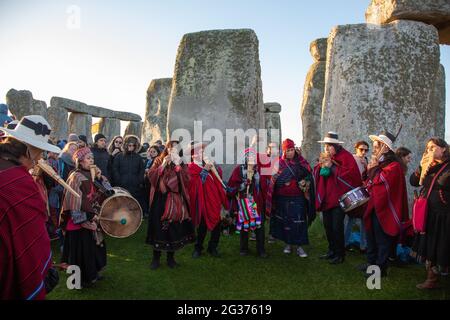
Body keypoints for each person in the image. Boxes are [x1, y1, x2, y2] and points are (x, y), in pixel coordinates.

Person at [0, 115, 61, 300]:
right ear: (27, 149)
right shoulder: (19, 182)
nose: (39, 159)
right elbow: (32, 238)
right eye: (39, 152)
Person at [361, 130, 409, 277]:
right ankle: (371, 264)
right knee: (371, 237)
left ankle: (380, 270)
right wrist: (369, 169)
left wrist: (374, 168)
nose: (374, 149)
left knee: (382, 240)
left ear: (385, 148)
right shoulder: (380, 163)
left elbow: (381, 182)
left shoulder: (394, 166)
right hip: (374, 206)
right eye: (374, 146)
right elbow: (369, 181)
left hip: (385, 208)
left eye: (377, 146)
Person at [60, 147, 108, 288]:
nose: (92, 160)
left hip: (92, 217)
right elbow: (72, 202)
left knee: (93, 250)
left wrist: (100, 178)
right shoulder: (76, 176)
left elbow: (108, 191)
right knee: (79, 254)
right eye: (88, 158)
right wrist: (85, 219)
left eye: (92, 158)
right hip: (79, 221)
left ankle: (92, 274)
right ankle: (76, 282)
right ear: (80, 161)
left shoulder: (92, 175)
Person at [314, 132, 362, 264]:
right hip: (327, 197)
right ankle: (331, 251)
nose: (327, 149)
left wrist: (333, 167)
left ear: (336, 146)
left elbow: (351, 176)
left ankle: (340, 254)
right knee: (328, 226)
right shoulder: (326, 157)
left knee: (337, 227)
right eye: (325, 146)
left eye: (329, 146)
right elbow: (317, 172)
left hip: (339, 200)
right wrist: (321, 166)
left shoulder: (346, 157)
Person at [146, 140, 195, 269]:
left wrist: (178, 166)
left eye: (175, 149)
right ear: (166, 149)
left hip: (175, 199)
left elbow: (187, 179)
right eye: (170, 148)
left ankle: (170, 258)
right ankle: (155, 259)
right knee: (158, 228)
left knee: (173, 228)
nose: (172, 151)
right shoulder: (158, 160)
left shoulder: (181, 163)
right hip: (160, 200)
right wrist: (162, 165)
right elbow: (151, 176)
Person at [410, 138, 450, 289]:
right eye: (427, 148)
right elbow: (414, 181)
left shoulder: (448, 166)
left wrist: (430, 177)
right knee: (430, 244)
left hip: (444, 214)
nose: (429, 151)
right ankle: (431, 278)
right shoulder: (428, 164)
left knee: (442, 245)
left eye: (432, 147)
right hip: (429, 212)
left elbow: (441, 183)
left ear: (443, 149)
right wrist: (422, 166)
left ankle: (440, 273)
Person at [269, 139, 315, 257]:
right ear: (283, 151)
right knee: (285, 221)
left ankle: (299, 247)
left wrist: (306, 182)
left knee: (299, 221)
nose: (290, 152)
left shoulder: (302, 162)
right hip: (282, 198)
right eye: (287, 150)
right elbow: (273, 179)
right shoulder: (279, 163)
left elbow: (309, 175)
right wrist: (281, 181)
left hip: (298, 197)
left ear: (294, 149)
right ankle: (288, 244)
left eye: (291, 150)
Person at [189, 142, 229, 258]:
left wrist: (214, 168)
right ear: (193, 155)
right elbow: (195, 185)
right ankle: (198, 248)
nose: (203, 153)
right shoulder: (191, 167)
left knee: (217, 226)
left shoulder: (206, 165)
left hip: (214, 201)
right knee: (202, 227)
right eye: (200, 152)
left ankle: (213, 247)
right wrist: (205, 171)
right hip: (203, 202)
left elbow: (217, 181)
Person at [227, 147, 267, 258]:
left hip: (256, 202)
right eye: (249, 157)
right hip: (244, 201)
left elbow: (263, 187)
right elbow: (230, 187)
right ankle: (243, 249)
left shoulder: (259, 170)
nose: (251, 159)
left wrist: (258, 180)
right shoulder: (238, 170)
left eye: (253, 157)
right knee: (245, 226)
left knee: (259, 226)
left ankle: (261, 250)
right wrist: (242, 185)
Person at [344, 141, 369, 253]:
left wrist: (366, 166)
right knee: (350, 218)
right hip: (353, 191)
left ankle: (363, 245)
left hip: (363, 192)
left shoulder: (367, 160)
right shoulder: (351, 159)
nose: (363, 152)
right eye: (361, 149)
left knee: (364, 218)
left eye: (366, 150)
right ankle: (344, 243)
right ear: (356, 149)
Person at [112, 135, 146, 211]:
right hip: (121, 186)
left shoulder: (138, 158)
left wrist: (138, 181)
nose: (131, 147)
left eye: (133, 145)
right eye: (129, 145)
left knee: (132, 207)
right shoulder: (119, 156)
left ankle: (133, 221)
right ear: (126, 145)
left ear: (136, 146)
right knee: (121, 206)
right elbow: (115, 169)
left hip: (135, 187)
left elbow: (141, 171)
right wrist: (119, 180)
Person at [258, 142, 280, 244]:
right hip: (263, 190)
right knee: (260, 211)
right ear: (268, 149)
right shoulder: (263, 160)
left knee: (274, 212)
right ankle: (256, 232)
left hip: (275, 190)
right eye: (271, 148)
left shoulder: (279, 161)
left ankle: (272, 234)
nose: (273, 150)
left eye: (275, 148)